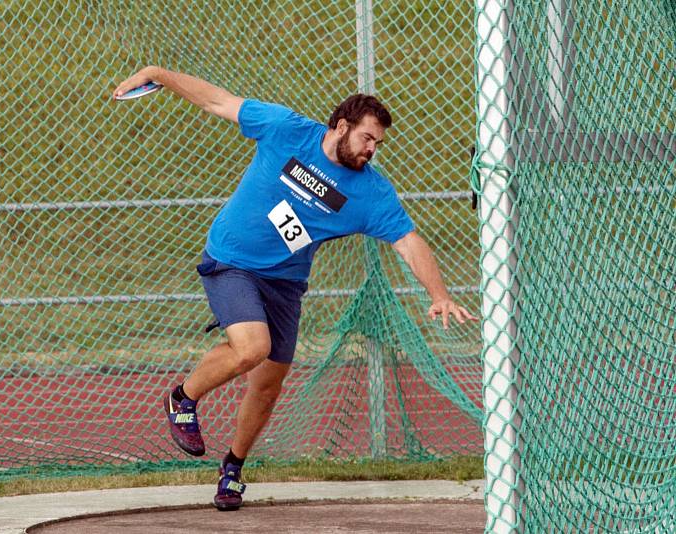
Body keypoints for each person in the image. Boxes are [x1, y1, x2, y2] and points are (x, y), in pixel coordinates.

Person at [113, 66, 477, 511]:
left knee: (267, 383)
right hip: (233, 259)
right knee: (251, 348)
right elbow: (217, 101)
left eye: (378, 143)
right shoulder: (286, 130)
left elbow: (408, 241)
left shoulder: (370, 193)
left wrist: (439, 295)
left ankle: (232, 470)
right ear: (341, 126)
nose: (371, 150)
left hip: (285, 283)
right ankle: (182, 398)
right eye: (366, 138)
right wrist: (158, 74)